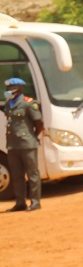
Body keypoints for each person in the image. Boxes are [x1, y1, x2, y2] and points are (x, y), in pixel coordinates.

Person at [5, 77, 44, 212]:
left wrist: (32, 137)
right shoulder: (8, 104)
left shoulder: (28, 103)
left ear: (20, 89)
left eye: (12, 88)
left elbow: (39, 123)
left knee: (32, 173)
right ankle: (20, 202)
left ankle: (35, 202)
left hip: (27, 144)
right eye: (8, 88)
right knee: (16, 175)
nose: (9, 91)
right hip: (12, 145)